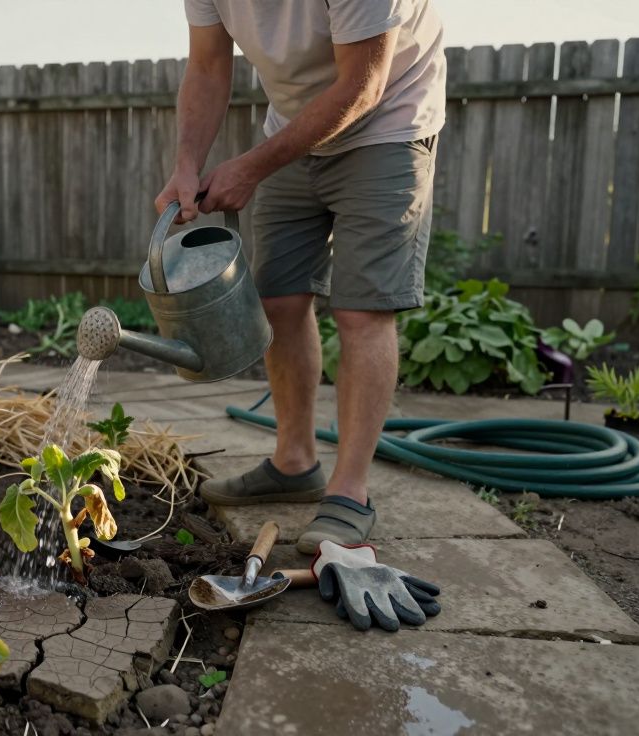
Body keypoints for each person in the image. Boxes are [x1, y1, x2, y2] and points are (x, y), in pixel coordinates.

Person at [158, 1, 446, 553]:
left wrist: (251, 167)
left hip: (389, 121)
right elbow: (209, 65)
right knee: (278, 301)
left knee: (362, 311)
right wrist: (187, 163)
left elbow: (362, 86)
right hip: (295, 127)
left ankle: (349, 493)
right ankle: (294, 462)